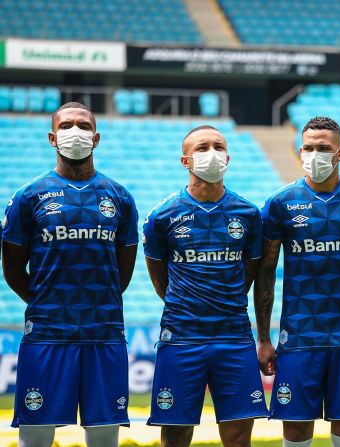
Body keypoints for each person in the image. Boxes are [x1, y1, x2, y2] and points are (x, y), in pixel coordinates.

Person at [254, 116, 340, 447]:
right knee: (296, 435)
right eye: (308, 148)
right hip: (299, 340)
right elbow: (265, 275)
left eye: (324, 148)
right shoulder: (280, 203)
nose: (314, 154)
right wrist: (263, 337)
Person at [3, 102, 138, 447]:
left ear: (96, 137)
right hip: (47, 333)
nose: (74, 132)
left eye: (82, 125)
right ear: (52, 137)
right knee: (35, 437)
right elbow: (13, 268)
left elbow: (123, 271)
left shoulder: (120, 197)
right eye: (66, 126)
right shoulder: (28, 197)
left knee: (105, 437)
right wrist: (45, 304)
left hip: (104, 332)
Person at [143, 125, 267, 447]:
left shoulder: (249, 214)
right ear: (185, 160)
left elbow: (249, 274)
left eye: (218, 146)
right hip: (182, 336)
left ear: (228, 157)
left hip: (234, 335)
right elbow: (160, 279)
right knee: (175, 435)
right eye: (202, 147)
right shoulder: (162, 216)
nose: (211, 153)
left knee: (239, 438)